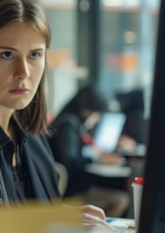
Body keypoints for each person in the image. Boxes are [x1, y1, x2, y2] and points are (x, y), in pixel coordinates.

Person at [0, 0, 115, 230]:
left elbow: (27, 209)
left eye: (34, 55)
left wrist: (63, 217)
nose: (24, 73)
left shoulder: (29, 134)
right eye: (7, 55)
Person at [47, 84, 131, 218]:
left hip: (73, 185)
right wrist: (98, 159)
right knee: (121, 200)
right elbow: (72, 161)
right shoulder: (68, 125)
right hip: (70, 191)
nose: (96, 118)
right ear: (87, 109)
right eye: (96, 113)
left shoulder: (69, 123)